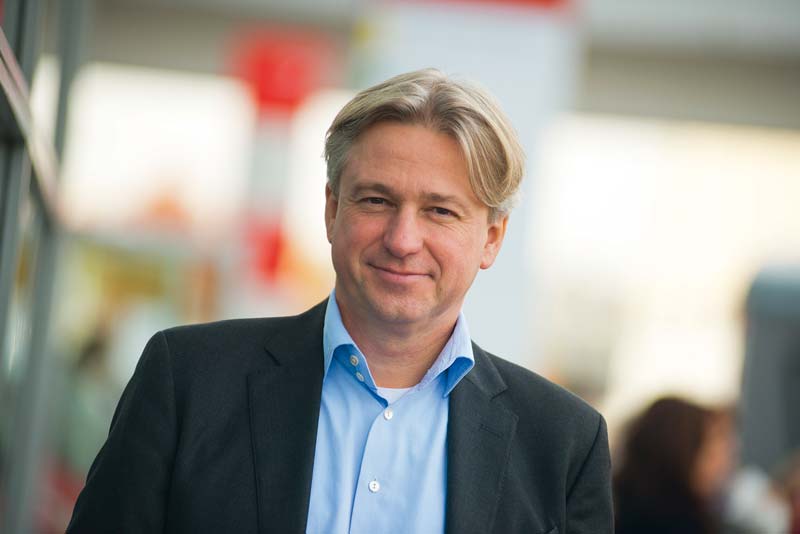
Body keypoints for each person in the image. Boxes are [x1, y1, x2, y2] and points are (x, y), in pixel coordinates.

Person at [67, 68, 613, 534]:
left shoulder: (564, 443)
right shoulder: (188, 381)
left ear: (491, 238)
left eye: (440, 211)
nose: (402, 239)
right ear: (332, 211)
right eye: (376, 200)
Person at [613, 396, 735, 534]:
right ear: (681, 453)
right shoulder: (682, 523)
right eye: (711, 453)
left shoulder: (617, 509)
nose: (723, 463)